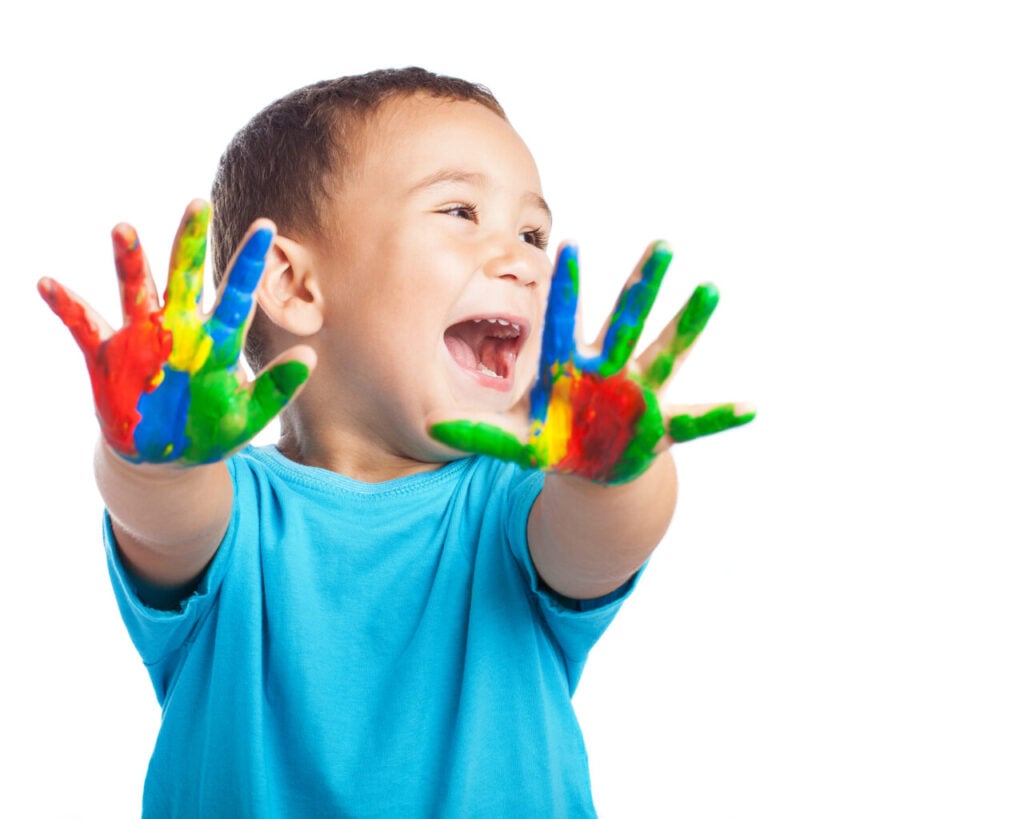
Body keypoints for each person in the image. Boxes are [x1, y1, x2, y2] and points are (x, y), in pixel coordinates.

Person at [38, 67, 754, 817]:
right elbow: (163, 513)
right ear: (295, 286)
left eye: (533, 231)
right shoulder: (231, 511)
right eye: (460, 211)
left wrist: (611, 476)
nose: (524, 259)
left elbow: (601, 541)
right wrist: (156, 455)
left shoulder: (515, 503)